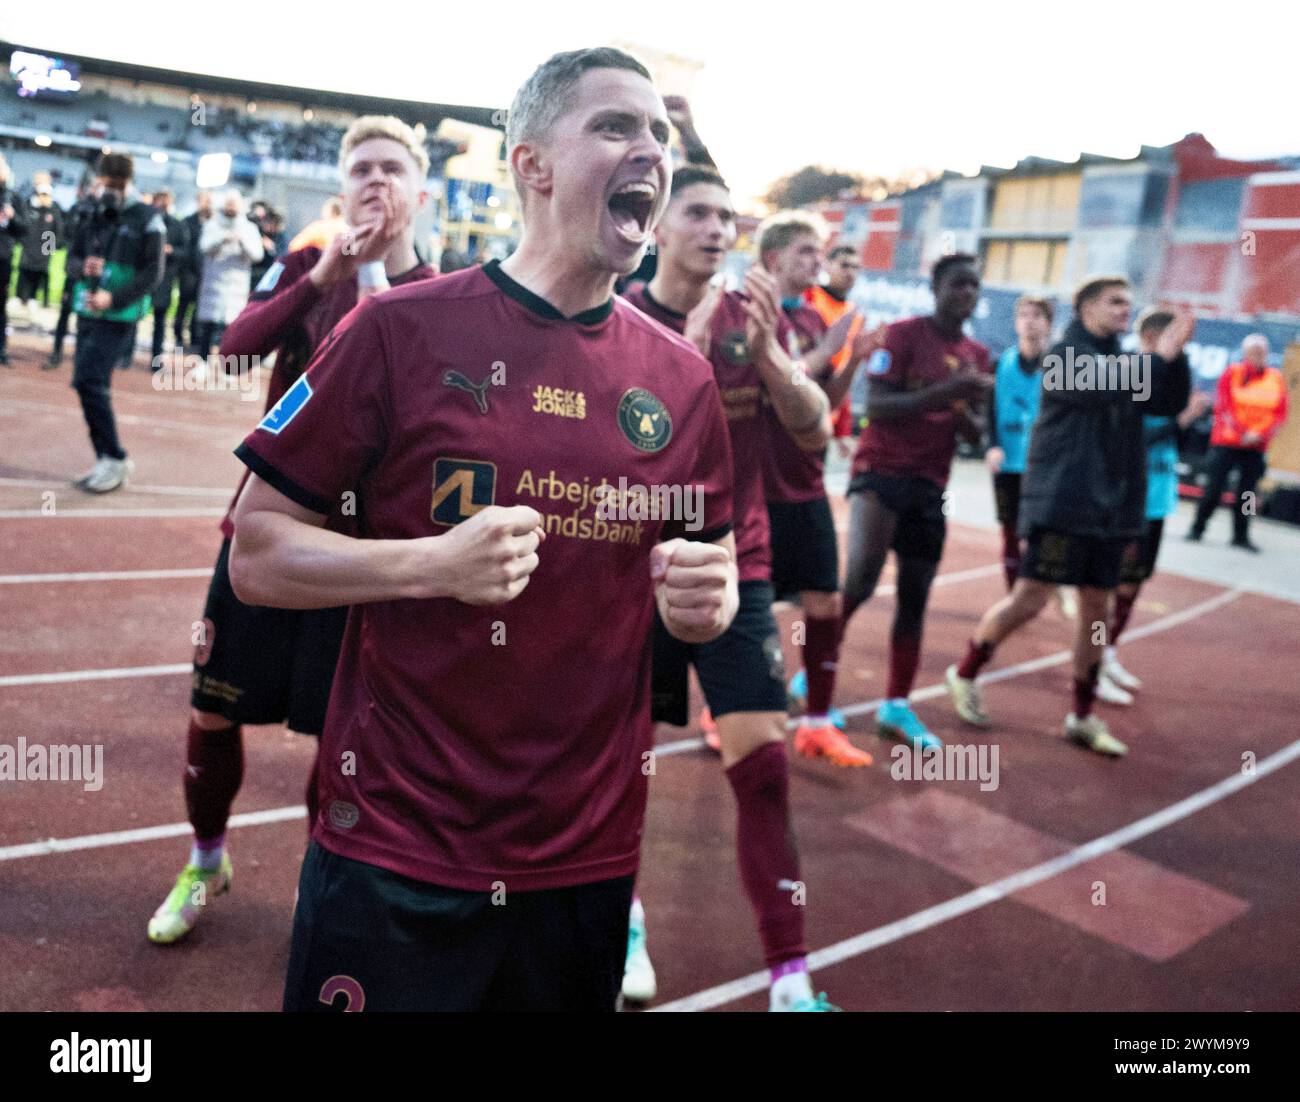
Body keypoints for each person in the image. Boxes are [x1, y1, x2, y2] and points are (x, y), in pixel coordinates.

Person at [227, 47, 739, 1013]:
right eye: (616, 127)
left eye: (660, 135)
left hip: (586, 857)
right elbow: (256, 553)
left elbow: (706, 579)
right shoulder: (397, 333)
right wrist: (431, 564)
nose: (652, 152)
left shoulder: (682, 382)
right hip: (399, 842)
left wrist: (710, 604)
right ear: (531, 164)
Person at [147, 116, 438, 946]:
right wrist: (326, 280)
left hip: (357, 553)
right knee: (212, 710)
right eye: (361, 170)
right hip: (269, 529)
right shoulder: (311, 265)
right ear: (340, 190)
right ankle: (206, 860)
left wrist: (381, 280)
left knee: (341, 735)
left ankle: (323, 891)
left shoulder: (446, 295)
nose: (375, 183)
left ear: (421, 191)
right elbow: (233, 352)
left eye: (392, 169)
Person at [625, 165, 843, 1011]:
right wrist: (700, 343)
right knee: (618, 763)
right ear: (659, 227)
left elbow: (815, 427)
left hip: (733, 564)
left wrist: (772, 363)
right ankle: (625, 921)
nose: (719, 229)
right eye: (700, 213)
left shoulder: (761, 319)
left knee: (764, 767)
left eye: (728, 216)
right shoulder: (621, 314)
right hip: (630, 572)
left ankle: (789, 974)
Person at [946, 276, 1192, 756]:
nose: (1126, 309)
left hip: (1112, 509)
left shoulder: (1124, 362)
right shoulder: (1064, 359)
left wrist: (1175, 358)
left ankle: (1081, 714)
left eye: (1129, 301)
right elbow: (1110, 386)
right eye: (1114, 301)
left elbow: (1168, 401)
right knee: (1030, 597)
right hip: (1063, 504)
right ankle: (965, 672)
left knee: (1096, 610)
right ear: (1084, 307)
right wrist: (1160, 357)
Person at [835, 254, 992, 749]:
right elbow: (877, 407)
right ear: (936, 288)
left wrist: (966, 408)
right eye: (958, 284)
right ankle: (815, 676)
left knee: (915, 599)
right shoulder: (902, 335)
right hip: (881, 473)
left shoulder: (977, 354)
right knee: (859, 580)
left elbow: (972, 431)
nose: (966, 293)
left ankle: (896, 705)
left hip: (930, 484)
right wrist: (951, 390)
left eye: (974, 286)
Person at [757, 211, 873, 758]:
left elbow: (824, 400)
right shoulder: (748, 312)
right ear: (774, 257)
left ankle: (819, 721)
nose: (818, 263)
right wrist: (829, 349)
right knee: (748, 609)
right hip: (756, 489)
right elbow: (780, 382)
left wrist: (856, 361)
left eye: (820, 252)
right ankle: (721, 708)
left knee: (825, 600)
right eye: (806, 251)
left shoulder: (809, 319)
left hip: (805, 484)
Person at [1102, 308, 1215, 703]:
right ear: (1151, 339)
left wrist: (1190, 419)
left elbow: (1176, 434)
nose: (1178, 349)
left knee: (1134, 586)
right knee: (1114, 586)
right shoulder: (1131, 372)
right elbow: (1134, 435)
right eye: (1173, 341)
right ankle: (1094, 659)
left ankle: (1110, 652)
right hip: (1129, 500)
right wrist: (1183, 419)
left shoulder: (1170, 378)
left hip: (1158, 498)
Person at [65, 152, 165, 492]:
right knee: (90, 384)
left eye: (117, 186)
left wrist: (115, 296)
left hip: (119, 313)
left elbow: (154, 272)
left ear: (128, 183)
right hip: (87, 307)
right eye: (106, 184)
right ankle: (107, 459)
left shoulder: (148, 218)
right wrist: (83, 267)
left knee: (87, 380)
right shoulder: (91, 211)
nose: (111, 192)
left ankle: (115, 457)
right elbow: (72, 257)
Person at [1187, 334, 1289, 552]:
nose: (1258, 356)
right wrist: (1242, 431)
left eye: (1261, 352)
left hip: (1256, 447)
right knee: (1213, 489)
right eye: (1253, 352)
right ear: (1245, 353)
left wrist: (1259, 434)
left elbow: (1280, 413)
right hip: (1227, 443)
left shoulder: (1275, 378)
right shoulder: (1232, 373)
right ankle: (1197, 528)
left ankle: (1241, 535)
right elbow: (1223, 406)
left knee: (1248, 494)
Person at [804, 243, 863, 446]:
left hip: (828, 411)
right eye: (844, 265)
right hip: (800, 401)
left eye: (856, 268)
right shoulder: (809, 297)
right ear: (827, 265)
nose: (850, 273)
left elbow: (843, 368)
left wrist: (842, 430)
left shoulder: (853, 314)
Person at [194, 190, 264, 362]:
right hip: (213, 283)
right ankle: (203, 361)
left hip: (236, 286)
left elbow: (257, 255)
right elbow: (203, 247)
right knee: (208, 327)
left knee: (231, 328)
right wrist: (221, 239)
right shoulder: (213, 224)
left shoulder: (249, 229)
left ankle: (228, 365)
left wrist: (242, 242)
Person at [147, 188, 189, 366]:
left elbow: (185, 251)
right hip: (145, 275)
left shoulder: (177, 226)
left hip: (164, 277)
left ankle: (156, 359)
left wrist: (171, 251)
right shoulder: (147, 220)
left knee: (160, 320)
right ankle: (124, 355)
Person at [15, 175, 63, 320]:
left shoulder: (53, 209)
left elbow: (57, 230)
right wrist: (23, 242)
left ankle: (35, 299)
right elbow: (22, 226)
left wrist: (50, 247)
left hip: (43, 251)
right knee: (24, 274)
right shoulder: (29, 206)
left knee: (40, 277)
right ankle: (21, 298)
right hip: (29, 249)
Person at [174, 190, 212, 351]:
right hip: (188, 271)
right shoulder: (188, 222)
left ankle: (195, 338)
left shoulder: (213, 222)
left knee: (199, 308)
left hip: (205, 272)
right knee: (183, 305)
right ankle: (178, 337)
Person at [0, 154, 27, 367]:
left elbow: (23, 229)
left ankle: (1, 348)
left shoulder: (13, 198)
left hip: (3, 258)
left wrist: (10, 217)